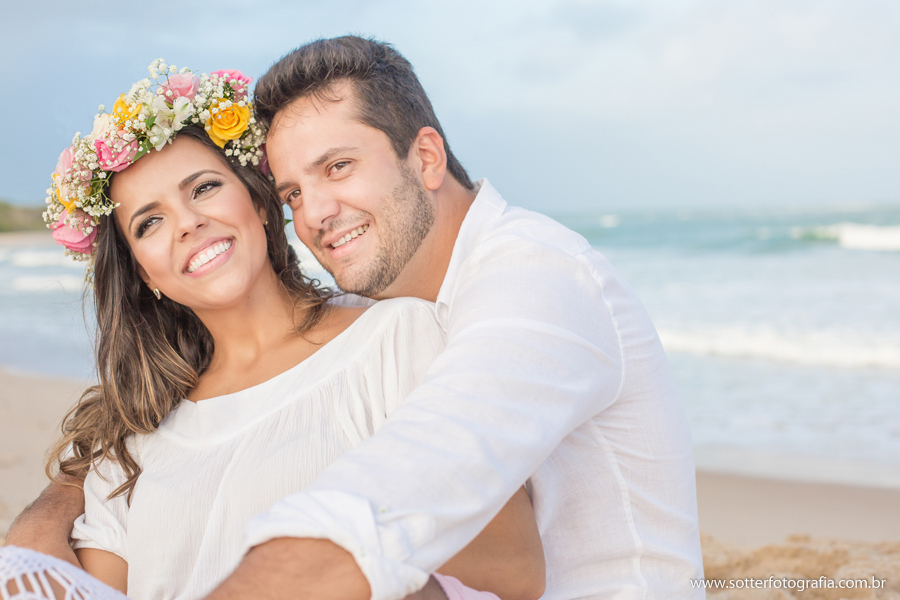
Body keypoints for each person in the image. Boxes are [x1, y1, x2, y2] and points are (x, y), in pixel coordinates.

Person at [10, 37, 706, 599]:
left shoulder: (523, 284)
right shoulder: (139, 438)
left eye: (339, 166)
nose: (315, 212)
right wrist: (52, 511)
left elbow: (440, 489)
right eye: (294, 190)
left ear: (425, 156)